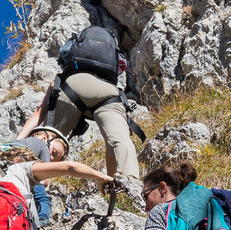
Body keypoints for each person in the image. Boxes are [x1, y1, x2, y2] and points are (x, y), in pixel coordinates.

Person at [17, 26, 140, 179]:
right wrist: (111, 178)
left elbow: (40, 112)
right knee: (119, 139)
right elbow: (112, 146)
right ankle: (131, 183)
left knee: (49, 140)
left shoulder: (62, 79)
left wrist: (17, 141)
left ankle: (34, 178)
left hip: (71, 87)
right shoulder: (108, 76)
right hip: (109, 93)